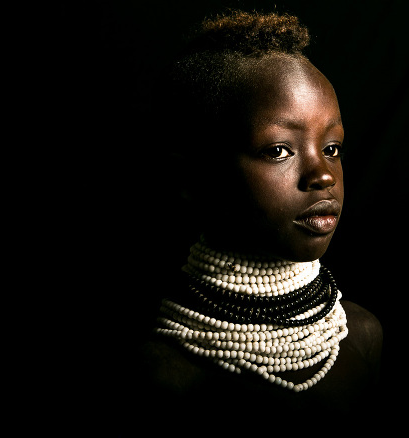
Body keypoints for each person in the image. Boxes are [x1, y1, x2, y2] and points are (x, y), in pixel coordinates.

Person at [125, 10, 383, 430]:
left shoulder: (362, 335)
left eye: (332, 147)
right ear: (191, 179)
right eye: (279, 150)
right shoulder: (164, 376)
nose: (322, 175)